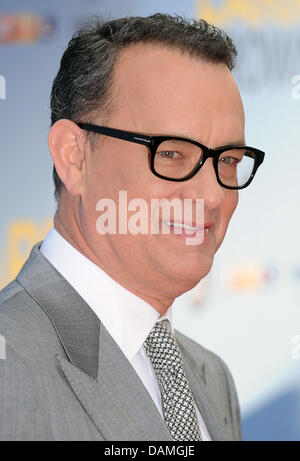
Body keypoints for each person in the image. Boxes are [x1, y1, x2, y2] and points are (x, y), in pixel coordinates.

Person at [0, 13, 264, 441]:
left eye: (228, 161)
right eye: (173, 154)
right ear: (74, 157)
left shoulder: (212, 379)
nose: (214, 196)